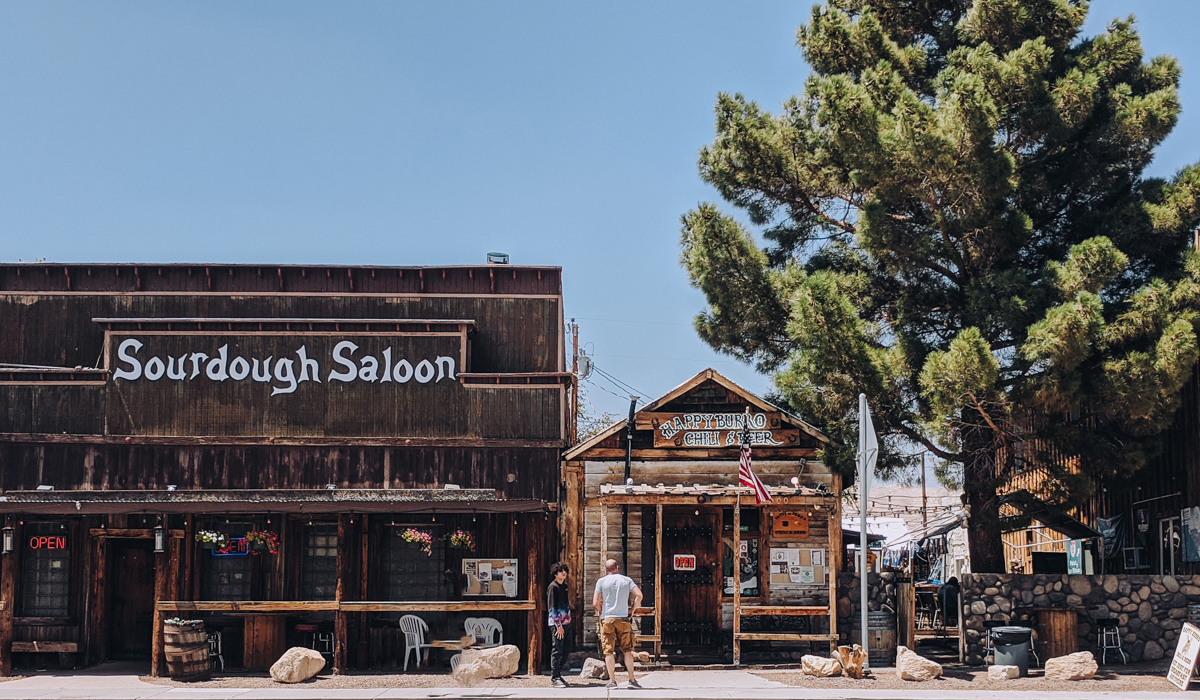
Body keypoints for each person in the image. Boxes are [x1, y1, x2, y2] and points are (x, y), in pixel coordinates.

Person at [593, 558, 643, 689]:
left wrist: (603, 611)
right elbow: (639, 595)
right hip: (623, 618)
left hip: (608, 618)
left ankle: (612, 681)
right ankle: (631, 680)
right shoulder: (626, 580)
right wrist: (633, 609)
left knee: (608, 651)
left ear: (606, 569)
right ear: (617, 568)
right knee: (627, 650)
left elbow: (595, 602)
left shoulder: (601, 581)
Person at [546, 561, 572, 688]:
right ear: (555, 573)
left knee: (566, 650)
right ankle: (554, 677)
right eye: (561, 571)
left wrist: (568, 621)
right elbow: (552, 608)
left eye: (565, 570)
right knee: (557, 650)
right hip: (557, 625)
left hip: (566, 623)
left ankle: (558, 673)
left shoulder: (565, 586)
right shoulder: (553, 587)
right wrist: (558, 625)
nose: (564, 573)